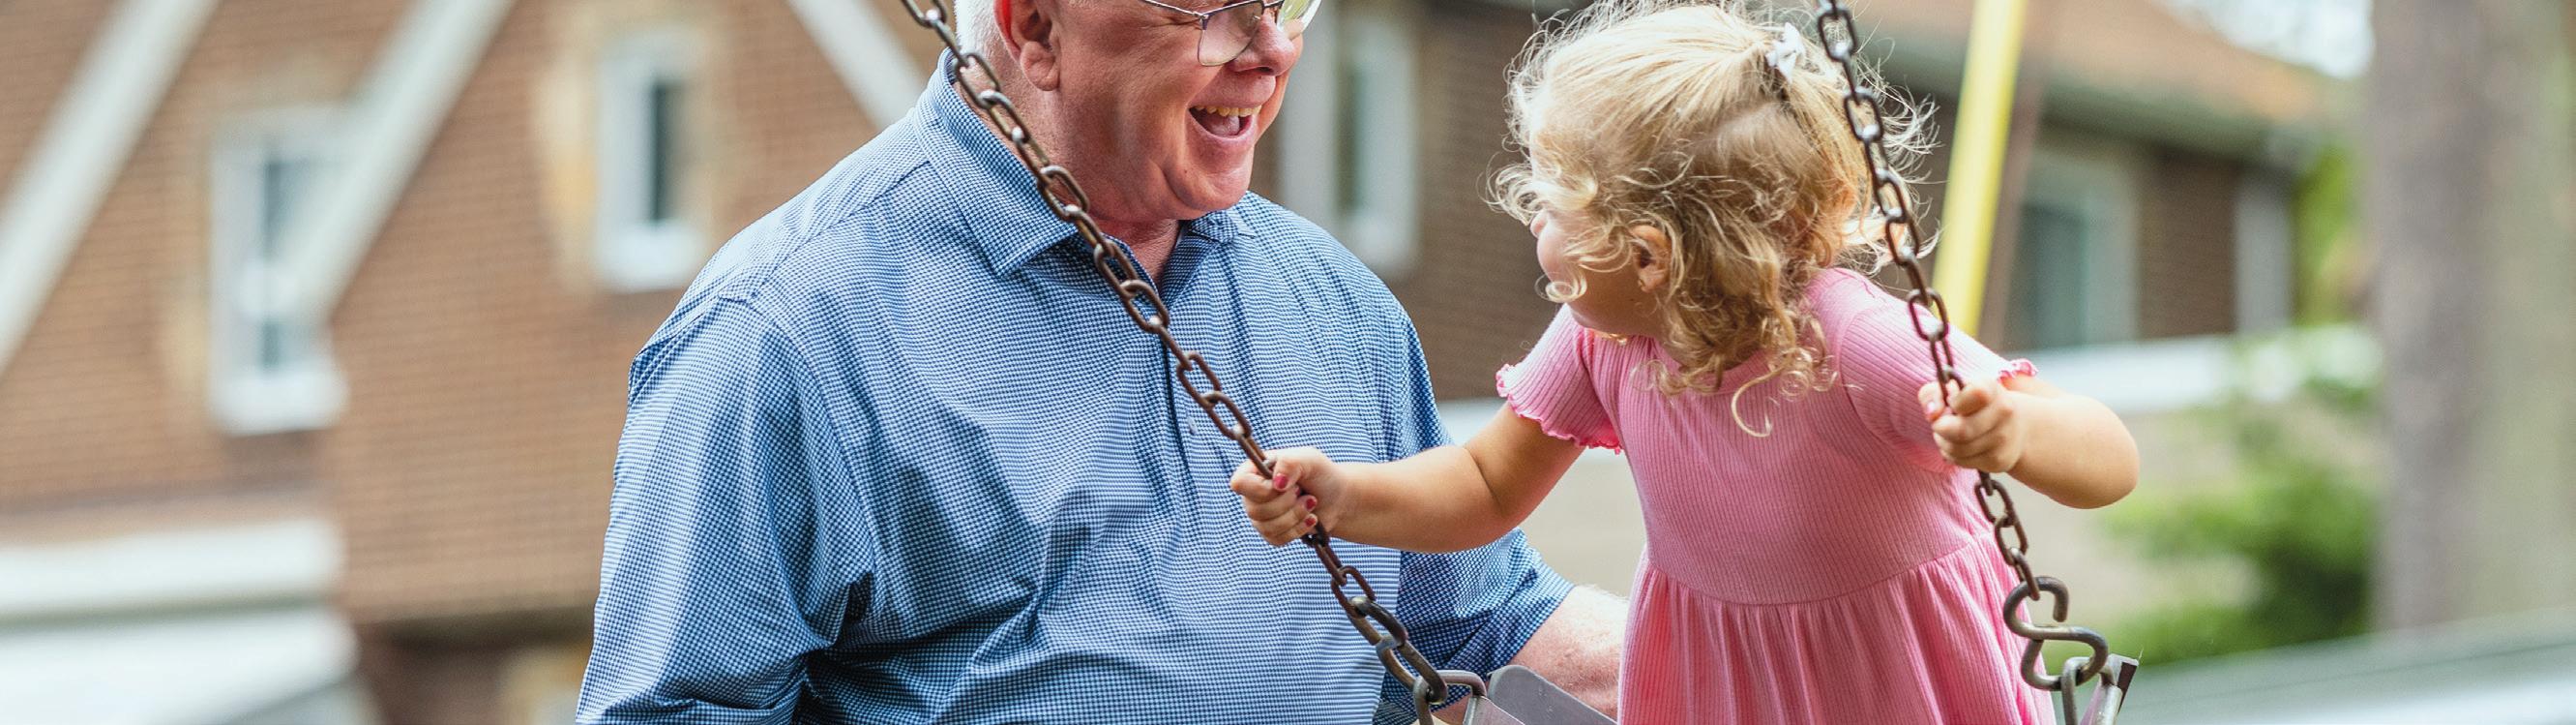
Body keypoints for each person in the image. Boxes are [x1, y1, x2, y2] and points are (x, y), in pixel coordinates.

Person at [573, 0, 1627, 721]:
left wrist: (1727, 629)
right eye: (1211, 7)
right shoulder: (787, 333)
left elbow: (1480, 622)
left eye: (1286, 1)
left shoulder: (1332, 303)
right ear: (1034, 26)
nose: (1269, 49)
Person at [1229, 3, 2140, 723]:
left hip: (1894, 681)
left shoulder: (1856, 345)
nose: (1534, 223)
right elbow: (1484, 484)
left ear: (1647, 255)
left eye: (1554, 206)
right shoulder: (1602, 338)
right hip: (1723, 685)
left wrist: (2016, 432)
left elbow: (2109, 458)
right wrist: (1344, 496)